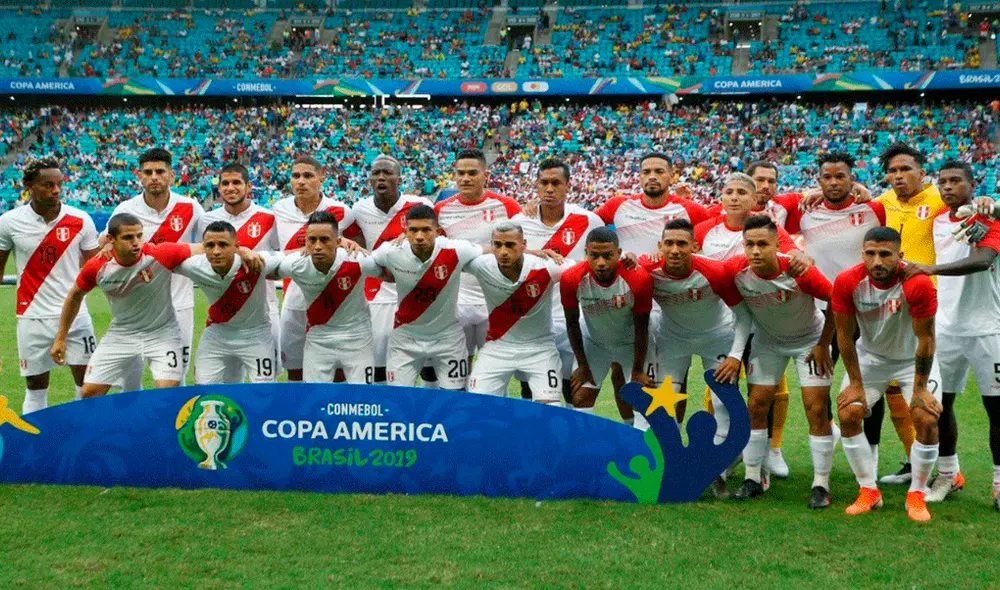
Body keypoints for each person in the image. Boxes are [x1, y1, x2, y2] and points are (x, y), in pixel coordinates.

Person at [696, 172, 811, 479]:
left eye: (741, 193)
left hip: (761, 318)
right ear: (721, 197)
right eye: (729, 191)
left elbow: (791, 251)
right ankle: (726, 448)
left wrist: (801, 256)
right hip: (722, 321)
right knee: (721, 386)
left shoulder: (766, 227)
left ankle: (771, 450)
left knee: (765, 388)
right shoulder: (706, 228)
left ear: (753, 197)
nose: (734, 197)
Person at [902, 161, 1000, 507]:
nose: (947, 186)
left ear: (973, 186)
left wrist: (930, 269)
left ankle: (999, 482)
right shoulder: (938, 220)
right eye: (942, 181)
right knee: (940, 407)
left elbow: (983, 259)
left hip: (989, 330)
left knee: (996, 409)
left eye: (956, 180)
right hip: (944, 328)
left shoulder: (990, 217)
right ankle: (947, 476)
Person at [724, 215, 836, 509]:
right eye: (750, 244)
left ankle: (821, 484)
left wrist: (824, 344)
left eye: (763, 244)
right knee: (757, 405)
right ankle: (752, 478)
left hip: (809, 342)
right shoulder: (736, 271)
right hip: (767, 342)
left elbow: (836, 301)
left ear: (777, 245)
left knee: (816, 408)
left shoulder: (799, 271)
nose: (756, 251)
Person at [832, 226, 942, 521]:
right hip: (871, 358)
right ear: (862, 254)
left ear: (900, 255)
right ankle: (869, 490)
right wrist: (855, 383)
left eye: (885, 254)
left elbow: (926, 339)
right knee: (848, 413)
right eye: (870, 253)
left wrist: (920, 389)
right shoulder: (847, 281)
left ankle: (917, 494)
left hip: (912, 359)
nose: (877, 261)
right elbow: (843, 334)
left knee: (926, 418)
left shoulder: (918, 283)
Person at [641, 218, 750, 496]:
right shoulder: (647, 269)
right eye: (669, 243)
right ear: (659, 246)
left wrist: (736, 355)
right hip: (672, 339)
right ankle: (672, 461)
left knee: (722, 402)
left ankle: (718, 467)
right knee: (664, 401)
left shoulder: (714, 271)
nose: (675, 250)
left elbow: (743, 315)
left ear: (695, 246)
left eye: (681, 243)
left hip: (717, 336)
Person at [51, 214, 206, 397]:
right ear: (111, 239)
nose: (136, 243)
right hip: (121, 334)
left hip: (162, 333)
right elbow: (74, 295)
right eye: (128, 237)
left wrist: (242, 251)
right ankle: (113, 425)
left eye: (139, 236)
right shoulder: (98, 266)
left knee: (167, 392)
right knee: (89, 393)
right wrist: (61, 338)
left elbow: (205, 247)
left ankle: (158, 426)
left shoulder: (160, 254)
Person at [0, 156, 101, 413]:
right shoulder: (9, 222)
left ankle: (86, 442)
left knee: (87, 387)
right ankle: (34, 448)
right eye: (47, 185)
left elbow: (94, 271)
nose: (56, 190)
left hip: (77, 317)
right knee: (35, 388)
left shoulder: (80, 220)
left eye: (59, 184)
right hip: (32, 318)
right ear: (29, 186)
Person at [107, 148, 204, 389]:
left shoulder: (191, 207)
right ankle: (135, 426)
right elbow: (109, 249)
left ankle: (175, 424)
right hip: (135, 306)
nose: (154, 177)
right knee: (129, 378)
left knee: (176, 377)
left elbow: (210, 245)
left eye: (160, 171)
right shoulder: (125, 210)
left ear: (171, 175)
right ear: (139, 176)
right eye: (148, 172)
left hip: (179, 305)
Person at [513, 158, 606, 405]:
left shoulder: (588, 221)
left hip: (576, 320)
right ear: (536, 185)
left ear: (568, 186)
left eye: (556, 183)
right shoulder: (519, 223)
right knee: (532, 392)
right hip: (533, 320)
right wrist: (533, 253)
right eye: (544, 182)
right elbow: (501, 256)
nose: (550, 188)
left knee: (572, 391)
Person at [371, 205, 483, 390]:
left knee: (454, 399)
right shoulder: (391, 251)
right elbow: (365, 261)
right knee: (398, 399)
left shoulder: (457, 249)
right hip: (405, 340)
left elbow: (493, 252)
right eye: (413, 230)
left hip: (448, 339)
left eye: (426, 230)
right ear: (405, 231)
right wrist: (345, 244)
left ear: (437, 231)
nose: (419, 236)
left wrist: (530, 253)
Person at [273, 155, 360, 382]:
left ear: (321, 178)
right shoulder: (278, 211)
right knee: (295, 368)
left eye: (308, 176)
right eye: (296, 176)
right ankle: (298, 415)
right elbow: (273, 255)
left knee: (337, 370)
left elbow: (357, 250)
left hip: (333, 303)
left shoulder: (341, 211)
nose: (301, 181)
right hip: (294, 301)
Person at [351, 155, 433, 385]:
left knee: (427, 367)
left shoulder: (420, 206)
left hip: (414, 294)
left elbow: (438, 240)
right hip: (377, 296)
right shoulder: (359, 210)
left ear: (399, 178)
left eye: (387, 172)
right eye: (376, 173)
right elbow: (355, 247)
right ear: (369, 179)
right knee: (378, 366)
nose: (381, 177)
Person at [435, 148, 522, 361]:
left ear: (486, 175)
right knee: (458, 365)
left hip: (495, 299)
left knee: (493, 365)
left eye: (472, 173)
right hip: (458, 300)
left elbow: (522, 247)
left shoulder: (506, 206)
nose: (465, 178)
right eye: (460, 173)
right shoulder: (441, 210)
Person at [465, 221, 564, 403]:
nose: (503, 251)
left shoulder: (546, 267)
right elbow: (443, 254)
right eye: (498, 245)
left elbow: (584, 268)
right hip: (497, 348)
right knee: (476, 406)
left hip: (540, 348)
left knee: (551, 410)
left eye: (510, 245)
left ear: (523, 245)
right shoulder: (481, 265)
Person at [277, 211, 380, 384]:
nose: (317, 246)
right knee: (316, 399)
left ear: (338, 242)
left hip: (357, 340)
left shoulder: (357, 259)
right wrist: (242, 251)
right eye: (312, 240)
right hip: (318, 341)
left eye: (324, 240)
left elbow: (389, 268)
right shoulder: (296, 263)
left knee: (363, 398)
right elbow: (263, 265)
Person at [174, 221, 282, 385]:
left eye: (223, 245)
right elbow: (160, 259)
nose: (216, 251)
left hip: (256, 335)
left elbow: (297, 256)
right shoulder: (194, 265)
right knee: (204, 390)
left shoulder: (257, 260)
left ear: (237, 246)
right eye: (210, 245)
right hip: (217, 335)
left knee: (264, 392)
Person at [199, 163, 281, 378]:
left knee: (264, 383)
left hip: (264, 310)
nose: (230, 187)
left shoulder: (268, 218)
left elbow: (280, 257)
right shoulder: (207, 220)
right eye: (225, 183)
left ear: (248, 186)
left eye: (236, 182)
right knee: (227, 383)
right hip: (224, 309)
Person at [561, 227, 654, 414]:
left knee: (643, 398)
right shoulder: (571, 278)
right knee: (579, 397)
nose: (601, 262)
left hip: (631, 344)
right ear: (586, 252)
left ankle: (633, 438)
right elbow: (571, 323)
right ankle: (585, 443)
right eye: (594, 255)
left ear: (619, 253)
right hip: (595, 343)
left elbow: (642, 327)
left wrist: (637, 369)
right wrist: (583, 365)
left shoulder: (638, 278)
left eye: (607, 255)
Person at [595, 152, 710, 255]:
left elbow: (718, 231)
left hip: (670, 278)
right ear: (640, 176)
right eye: (646, 172)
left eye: (659, 172)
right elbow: (588, 223)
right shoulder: (618, 204)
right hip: (628, 277)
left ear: (671, 176)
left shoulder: (690, 209)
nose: (652, 177)